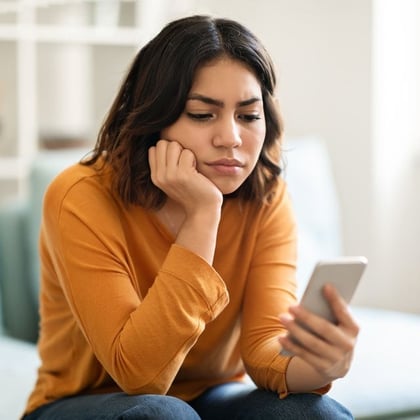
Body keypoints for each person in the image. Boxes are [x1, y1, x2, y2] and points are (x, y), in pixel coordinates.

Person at [23, 14, 359, 420]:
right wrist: (202, 215)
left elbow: (264, 352)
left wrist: (321, 365)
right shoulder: (80, 196)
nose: (231, 138)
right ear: (154, 119)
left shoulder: (266, 200)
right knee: (161, 415)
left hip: (209, 399)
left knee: (316, 412)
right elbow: (140, 377)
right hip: (81, 404)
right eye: (203, 115)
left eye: (249, 116)